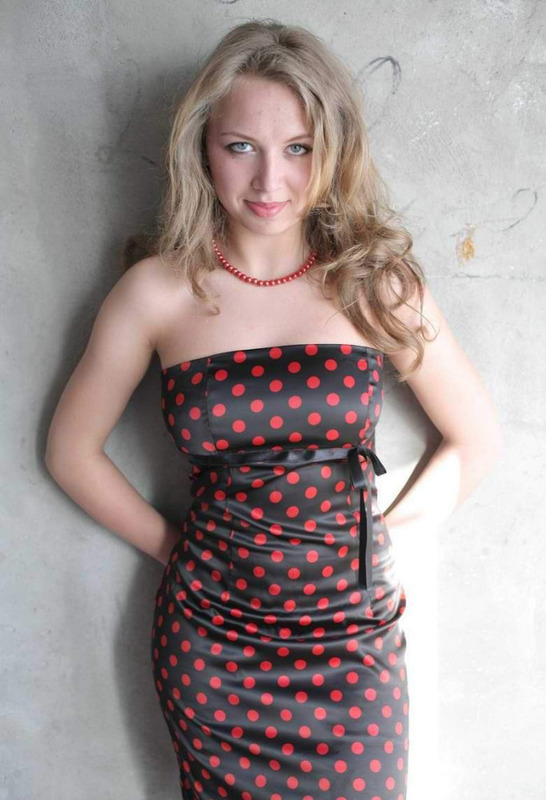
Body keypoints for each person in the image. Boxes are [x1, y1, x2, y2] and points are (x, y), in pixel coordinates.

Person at [45, 19, 503, 800]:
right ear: (202, 147)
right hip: (213, 646)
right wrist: (173, 549)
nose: (270, 180)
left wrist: (379, 542)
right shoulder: (156, 292)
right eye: (241, 147)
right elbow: (70, 451)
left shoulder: (376, 285)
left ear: (334, 150)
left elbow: (475, 439)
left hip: (351, 646)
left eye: (298, 148)